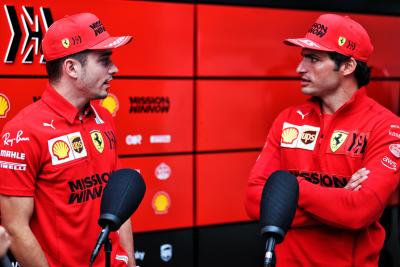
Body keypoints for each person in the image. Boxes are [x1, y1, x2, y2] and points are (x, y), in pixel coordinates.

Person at [245, 13, 400, 267]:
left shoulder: (387, 127)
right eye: (303, 58)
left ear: (348, 67)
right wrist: (339, 197)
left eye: (314, 59)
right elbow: (254, 202)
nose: (300, 68)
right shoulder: (288, 119)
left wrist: (286, 190)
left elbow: (359, 212)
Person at [0, 13, 137, 267]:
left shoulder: (104, 117)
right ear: (72, 68)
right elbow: (14, 228)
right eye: (104, 60)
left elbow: (118, 204)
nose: (114, 69)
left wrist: (129, 261)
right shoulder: (21, 132)